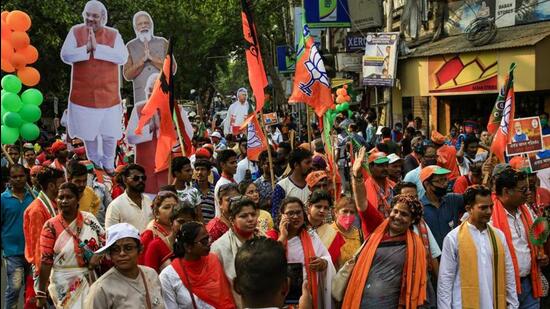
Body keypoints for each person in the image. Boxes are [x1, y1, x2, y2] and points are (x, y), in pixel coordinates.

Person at [61, 1, 128, 174]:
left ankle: (108, 163)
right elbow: (66, 54)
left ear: (103, 18)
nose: (90, 19)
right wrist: (86, 49)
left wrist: (97, 49)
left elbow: (122, 56)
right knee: (88, 134)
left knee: (109, 134)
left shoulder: (113, 34)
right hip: (83, 95)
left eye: (95, 16)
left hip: (109, 95)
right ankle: (95, 162)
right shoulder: (75, 31)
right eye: (87, 15)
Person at [437, 185, 519, 308]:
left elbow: (508, 272)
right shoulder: (453, 238)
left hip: (494, 303)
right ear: (469, 209)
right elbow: (445, 279)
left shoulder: (498, 236)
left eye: (491, 206)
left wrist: (513, 303)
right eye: (483, 208)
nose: (489, 211)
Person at [342, 191, 427, 307]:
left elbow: (417, 282)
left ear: (412, 220)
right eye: (395, 211)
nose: (397, 216)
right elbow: (362, 204)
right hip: (362, 302)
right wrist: (357, 178)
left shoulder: (416, 248)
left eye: (404, 214)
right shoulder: (376, 233)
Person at [36, 182, 105, 308]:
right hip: (62, 282)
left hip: (89, 277)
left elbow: (104, 241)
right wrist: (41, 293)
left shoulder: (89, 220)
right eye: (61, 197)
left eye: (69, 197)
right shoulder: (50, 226)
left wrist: (98, 256)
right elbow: (46, 261)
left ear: (78, 199)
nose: (64, 201)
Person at [491, 169, 548, 307]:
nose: (529, 193)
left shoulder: (526, 209)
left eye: (528, 188)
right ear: (506, 192)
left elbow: (537, 237)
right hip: (503, 288)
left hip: (529, 284)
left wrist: (541, 255)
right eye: (523, 190)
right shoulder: (490, 216)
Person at [267, 197, 336, 309]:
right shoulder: (272, 236)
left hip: (309, 293)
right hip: (281, 296)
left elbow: (326, 257)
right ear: (282, 215)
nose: (295, 216)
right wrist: (283, 236)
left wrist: (323, 263)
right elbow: (270, 262)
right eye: (290, 213)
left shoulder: (311, 235)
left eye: (298, 212)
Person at [84, 223, 164, 309]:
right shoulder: (101, 289)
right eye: (116, 249)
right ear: (110, 254)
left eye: (128, 248)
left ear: (140, 249)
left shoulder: (151, 275)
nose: (122, 253)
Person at [159, 222, 236, 308]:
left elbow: (226, 299)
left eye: (208, 238)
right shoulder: (168, 276)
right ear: (188, 247)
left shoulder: (213, 260)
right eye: (204, 241)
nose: (209, 243)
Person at [23, 167, 65, 306]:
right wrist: (44, 281)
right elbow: (38, 247)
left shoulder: (52, 204)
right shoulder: (37, 210)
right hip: (46, 272)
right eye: (62, 183)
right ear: (52, 186)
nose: (64, 186)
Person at [211, 196, 261, 307]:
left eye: (253, 214)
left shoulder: (264, 240)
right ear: (232, 219)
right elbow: (217, 287)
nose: (250, 219)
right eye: (243, 216)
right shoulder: (219, 248)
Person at [126, 73, 168, 194]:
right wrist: (150, 128)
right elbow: (130, 137)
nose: (152, 94)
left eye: (156, 90)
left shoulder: (173, 108)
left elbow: (185, 136)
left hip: (167, 170)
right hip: (145, 170)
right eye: (150, 90)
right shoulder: (139, 108)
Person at [1, 164, 35, 309]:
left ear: (26, 177)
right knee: (14, 288)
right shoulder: (3, 199)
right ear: (10, 179)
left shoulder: (34, 196)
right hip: (12, 252)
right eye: (15, 177)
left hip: (32, 252)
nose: (18, 179)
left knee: (32, 290)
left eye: (21, 176)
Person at [144, 202, 198, 273]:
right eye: (181, 222)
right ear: (171, 222)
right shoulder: (156, 246)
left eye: (189, 223)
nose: (185, 226)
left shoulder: (196, 247)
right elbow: (150, 276)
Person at [419, 165, 465, 248]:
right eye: (440, 180)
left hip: (453, 255)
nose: (445, 184)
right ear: (427, 184)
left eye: (445, 179)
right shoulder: (419, 208)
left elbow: (476, 199)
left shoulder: (453, 199)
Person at [105, 164, 153, 232]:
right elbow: (110, 234)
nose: (140, 180)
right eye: (136, 178)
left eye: (143, 178)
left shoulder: (149, 201)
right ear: (125, 180)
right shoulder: (115, 206)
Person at [306, 189, 344, 266]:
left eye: (326, 208)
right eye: (318, 206)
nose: (322, 210)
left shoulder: (333, 234)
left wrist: (324, 263)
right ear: (309, 206)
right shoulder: (298, 228)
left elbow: (334, 263)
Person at [271, 148, 313, 218]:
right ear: (296, 165)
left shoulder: (313, 184)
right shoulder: (282, 186)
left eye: (311, 162)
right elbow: (276, 215)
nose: (311, 165)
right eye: (307, 162)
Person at [140, 191, 178, 263]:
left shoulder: (178, 227)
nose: (172, 210)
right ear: (156, 213)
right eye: (166, 207)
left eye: (175, 207)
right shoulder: (150, 234)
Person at [364, 152, 395, 218]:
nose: (385, 168)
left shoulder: (393, 186)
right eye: (381, 165)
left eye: (386, 165)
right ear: (371, 167)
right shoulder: (364, 189)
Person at [213, 149, 238, 217]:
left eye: (236, 162)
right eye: (232, 163)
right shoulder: (222, 184)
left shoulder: (232, 180)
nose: (236, 165)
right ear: (222, 164)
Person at [193, 159, 216, 224]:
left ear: (209, 172)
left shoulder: (215, 191)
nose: (199, 172)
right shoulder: (191, 191)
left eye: (203, 169)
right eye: (197, 169)